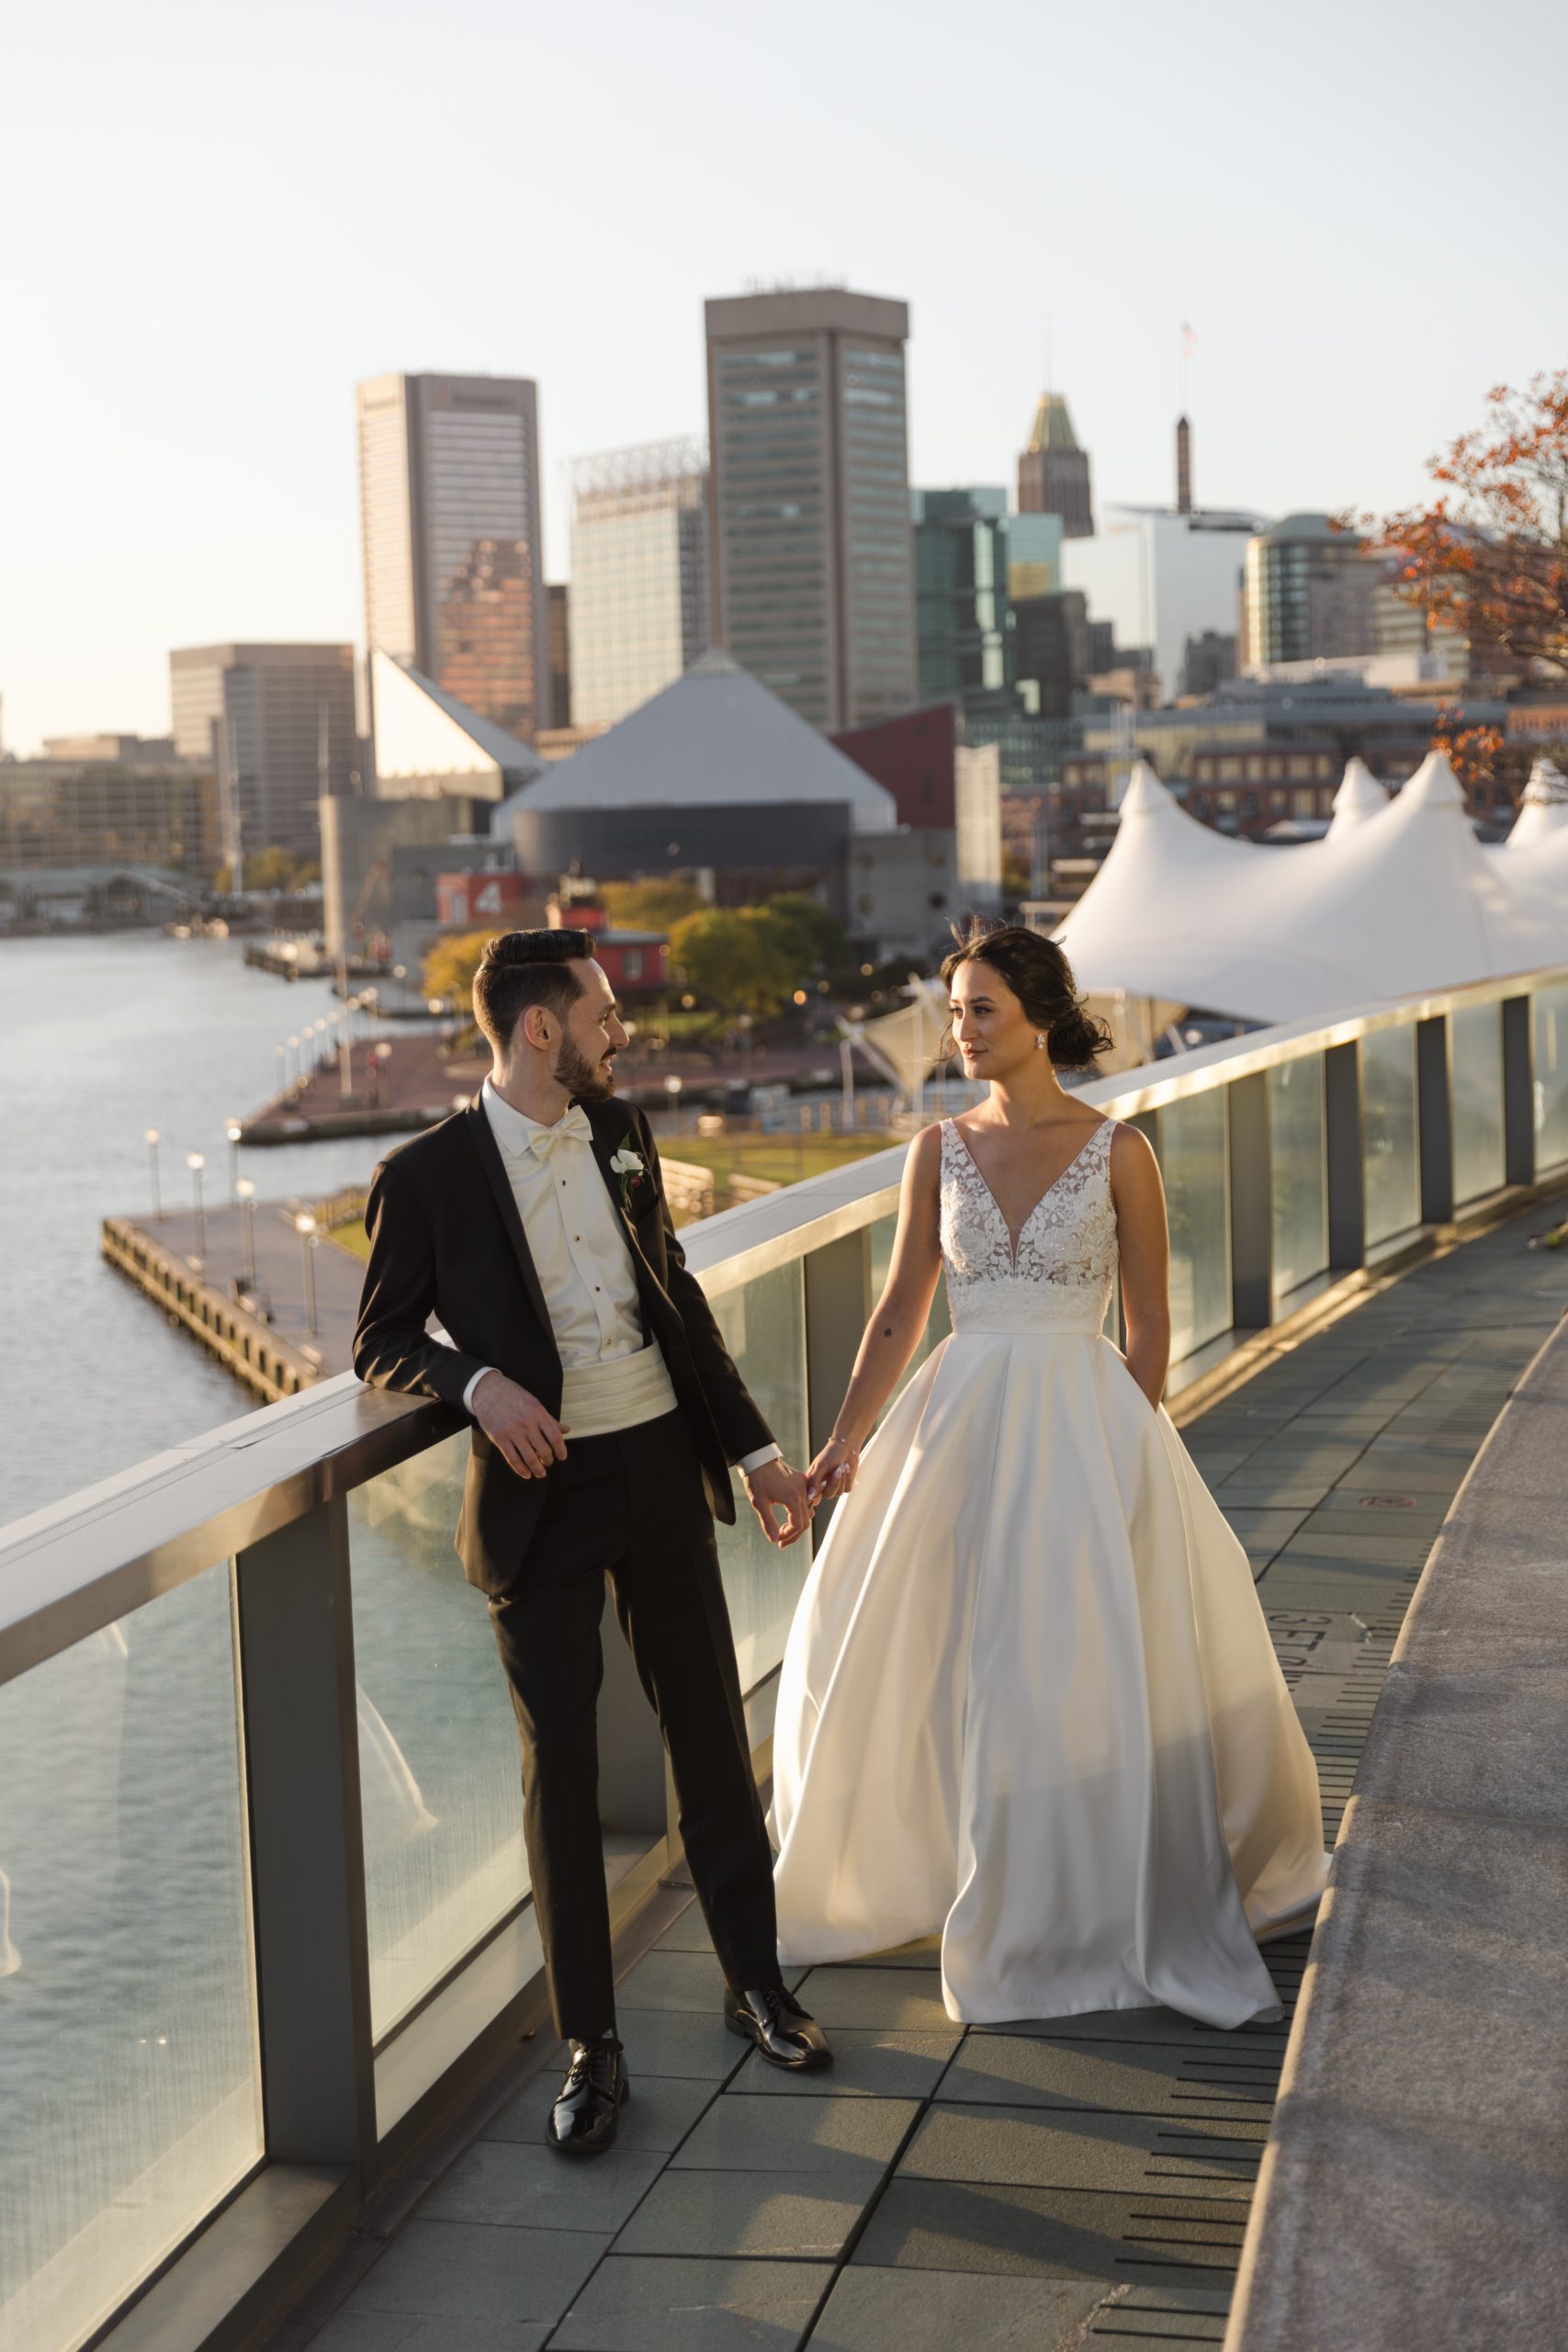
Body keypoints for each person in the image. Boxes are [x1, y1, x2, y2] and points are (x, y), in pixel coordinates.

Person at [772, 921, 1325, 2029]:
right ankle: (945, 1866)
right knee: (952, 1649)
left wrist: (1124, 1449)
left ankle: (1077, 1895)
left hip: (1085, 1423)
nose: (961, 1030)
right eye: (955, 1010)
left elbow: (1153, 1323)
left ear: (1039, 1016)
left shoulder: (1122, 1149)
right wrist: (841, 1445)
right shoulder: (938, 1148)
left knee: (1068, 1659)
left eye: (982, 1009)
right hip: (959, 1422)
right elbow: (899, 1311)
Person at [353, 929, 832, 2157]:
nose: (624, 1029)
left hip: (661, 1467)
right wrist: (475, 1390)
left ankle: (756, 1985)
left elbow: (673, 1299)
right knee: (557, 1766)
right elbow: (382, 1339)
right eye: (603, 1012)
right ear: (537, 1029)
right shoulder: (425, 1177)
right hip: (538, 1495)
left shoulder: (620, 1134)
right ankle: (591, 2047)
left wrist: (755, 1454)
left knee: (710, 1737)